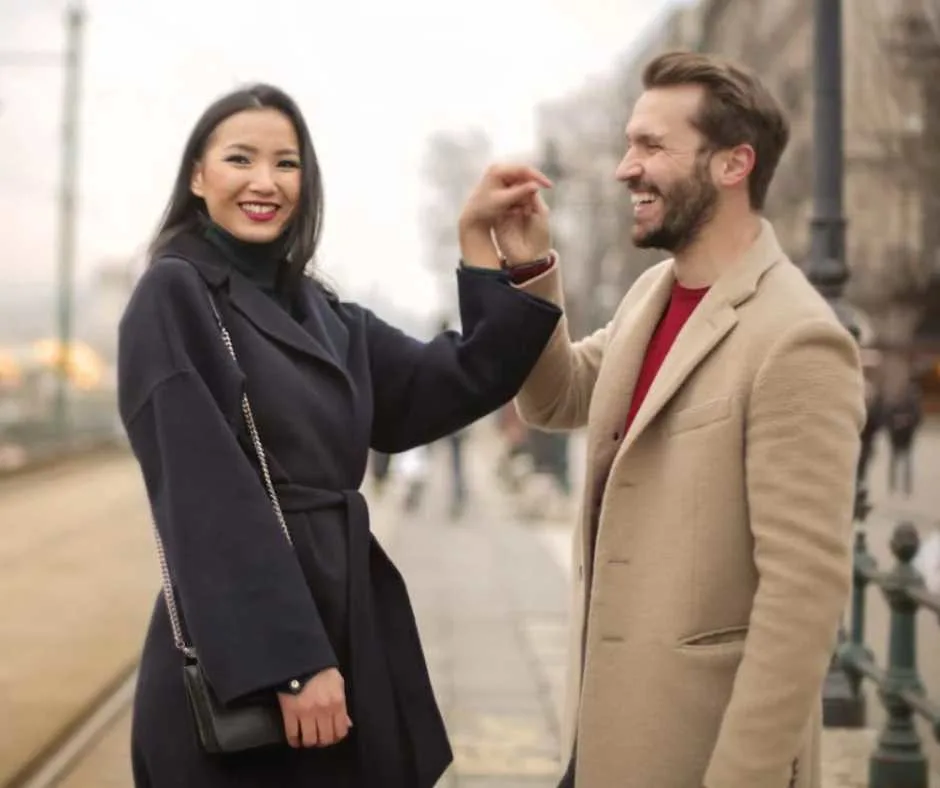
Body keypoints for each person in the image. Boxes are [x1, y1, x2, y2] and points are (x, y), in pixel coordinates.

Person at [117, 83, 562, 788]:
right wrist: (290, 663)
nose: (265, 182)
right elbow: (205, 495)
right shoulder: (175, 296)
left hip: (346, 629)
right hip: (256, 650)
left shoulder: (324, 311)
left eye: (286, 164)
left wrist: (486, 249)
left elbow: (457, 380)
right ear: (198, 177)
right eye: (240, 159)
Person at [477, 52, 865, 787]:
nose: (626, 169)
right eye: (630, 144)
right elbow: (557, 398)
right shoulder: (652, 294)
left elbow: (802, 601)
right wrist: (530, 273)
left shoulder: (798, 338)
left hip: (699, 757)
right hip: (602, 744)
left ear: (732, 165)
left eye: (652, 146)